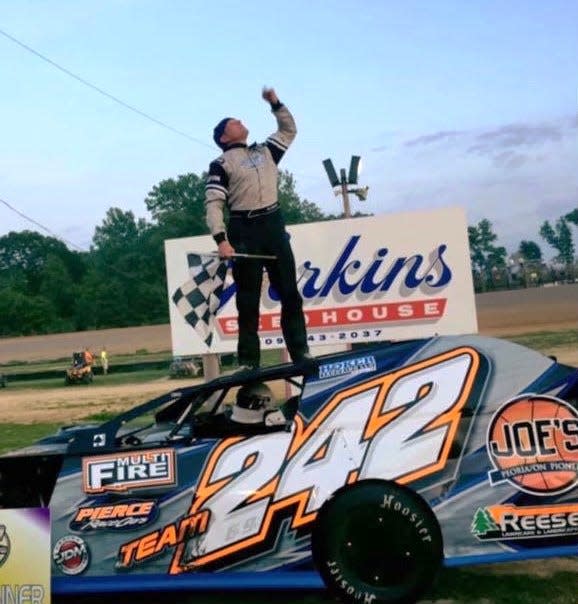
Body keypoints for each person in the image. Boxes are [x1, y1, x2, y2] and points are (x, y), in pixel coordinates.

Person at [205, 87, 311, 371]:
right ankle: (249, 361)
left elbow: (289, 130)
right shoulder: (221, 163)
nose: (241, 121)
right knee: (247, 299)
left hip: (273, 225)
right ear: (225, 137)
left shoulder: (266, 151)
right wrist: (221, 240)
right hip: (244, 229)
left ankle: (301, 352)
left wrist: (275, 103)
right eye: (234, 122)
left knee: (289, 291)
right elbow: (214, 204)